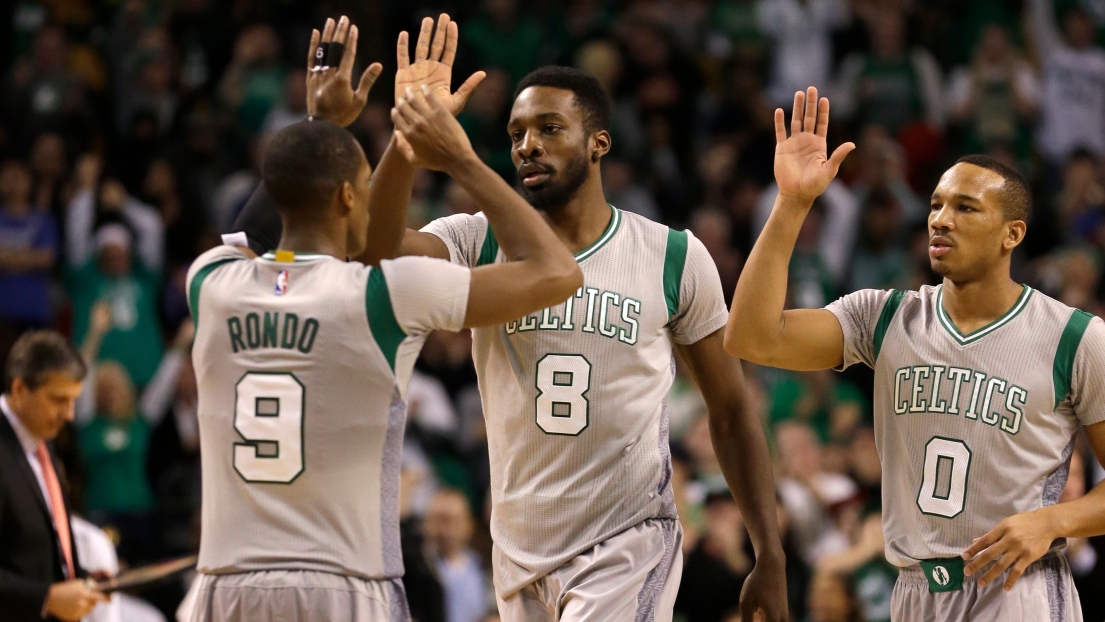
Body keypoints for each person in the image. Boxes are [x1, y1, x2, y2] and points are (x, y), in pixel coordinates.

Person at [230, 14, 787, 622]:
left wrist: (770, 551)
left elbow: (731, 410)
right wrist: (408, 141)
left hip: (628, 538)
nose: (528, 144)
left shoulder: (673, 254)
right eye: (517, 131)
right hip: (519, 545)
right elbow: (375, 254)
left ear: (599, 142)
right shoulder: (478, 237)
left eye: (550, 128)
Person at [186, 17, 581, 622]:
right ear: (349, 198)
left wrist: (321, 123)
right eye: (367, 187)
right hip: (342, 586)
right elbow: (557, 272)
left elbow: (266, 215)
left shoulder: (210, 281)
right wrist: (458, 157)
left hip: (223, 589)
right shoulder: (383, 296)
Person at [726, 86, 1105, 620]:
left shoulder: (1074, 337)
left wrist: (1053, 521)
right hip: (913, 590)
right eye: (935, 204)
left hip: (1017, 591)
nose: (940, 219)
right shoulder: (882, 316)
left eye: (965, 207)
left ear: (1012, 234)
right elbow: (751, 338)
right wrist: (792, 204)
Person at [0, 330, 108, 621]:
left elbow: (32, 554)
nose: (70, 414)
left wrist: (82, 578)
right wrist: (46, 599)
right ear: (20, 389)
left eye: (74, 400)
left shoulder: (42, 442)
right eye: (59, 400)